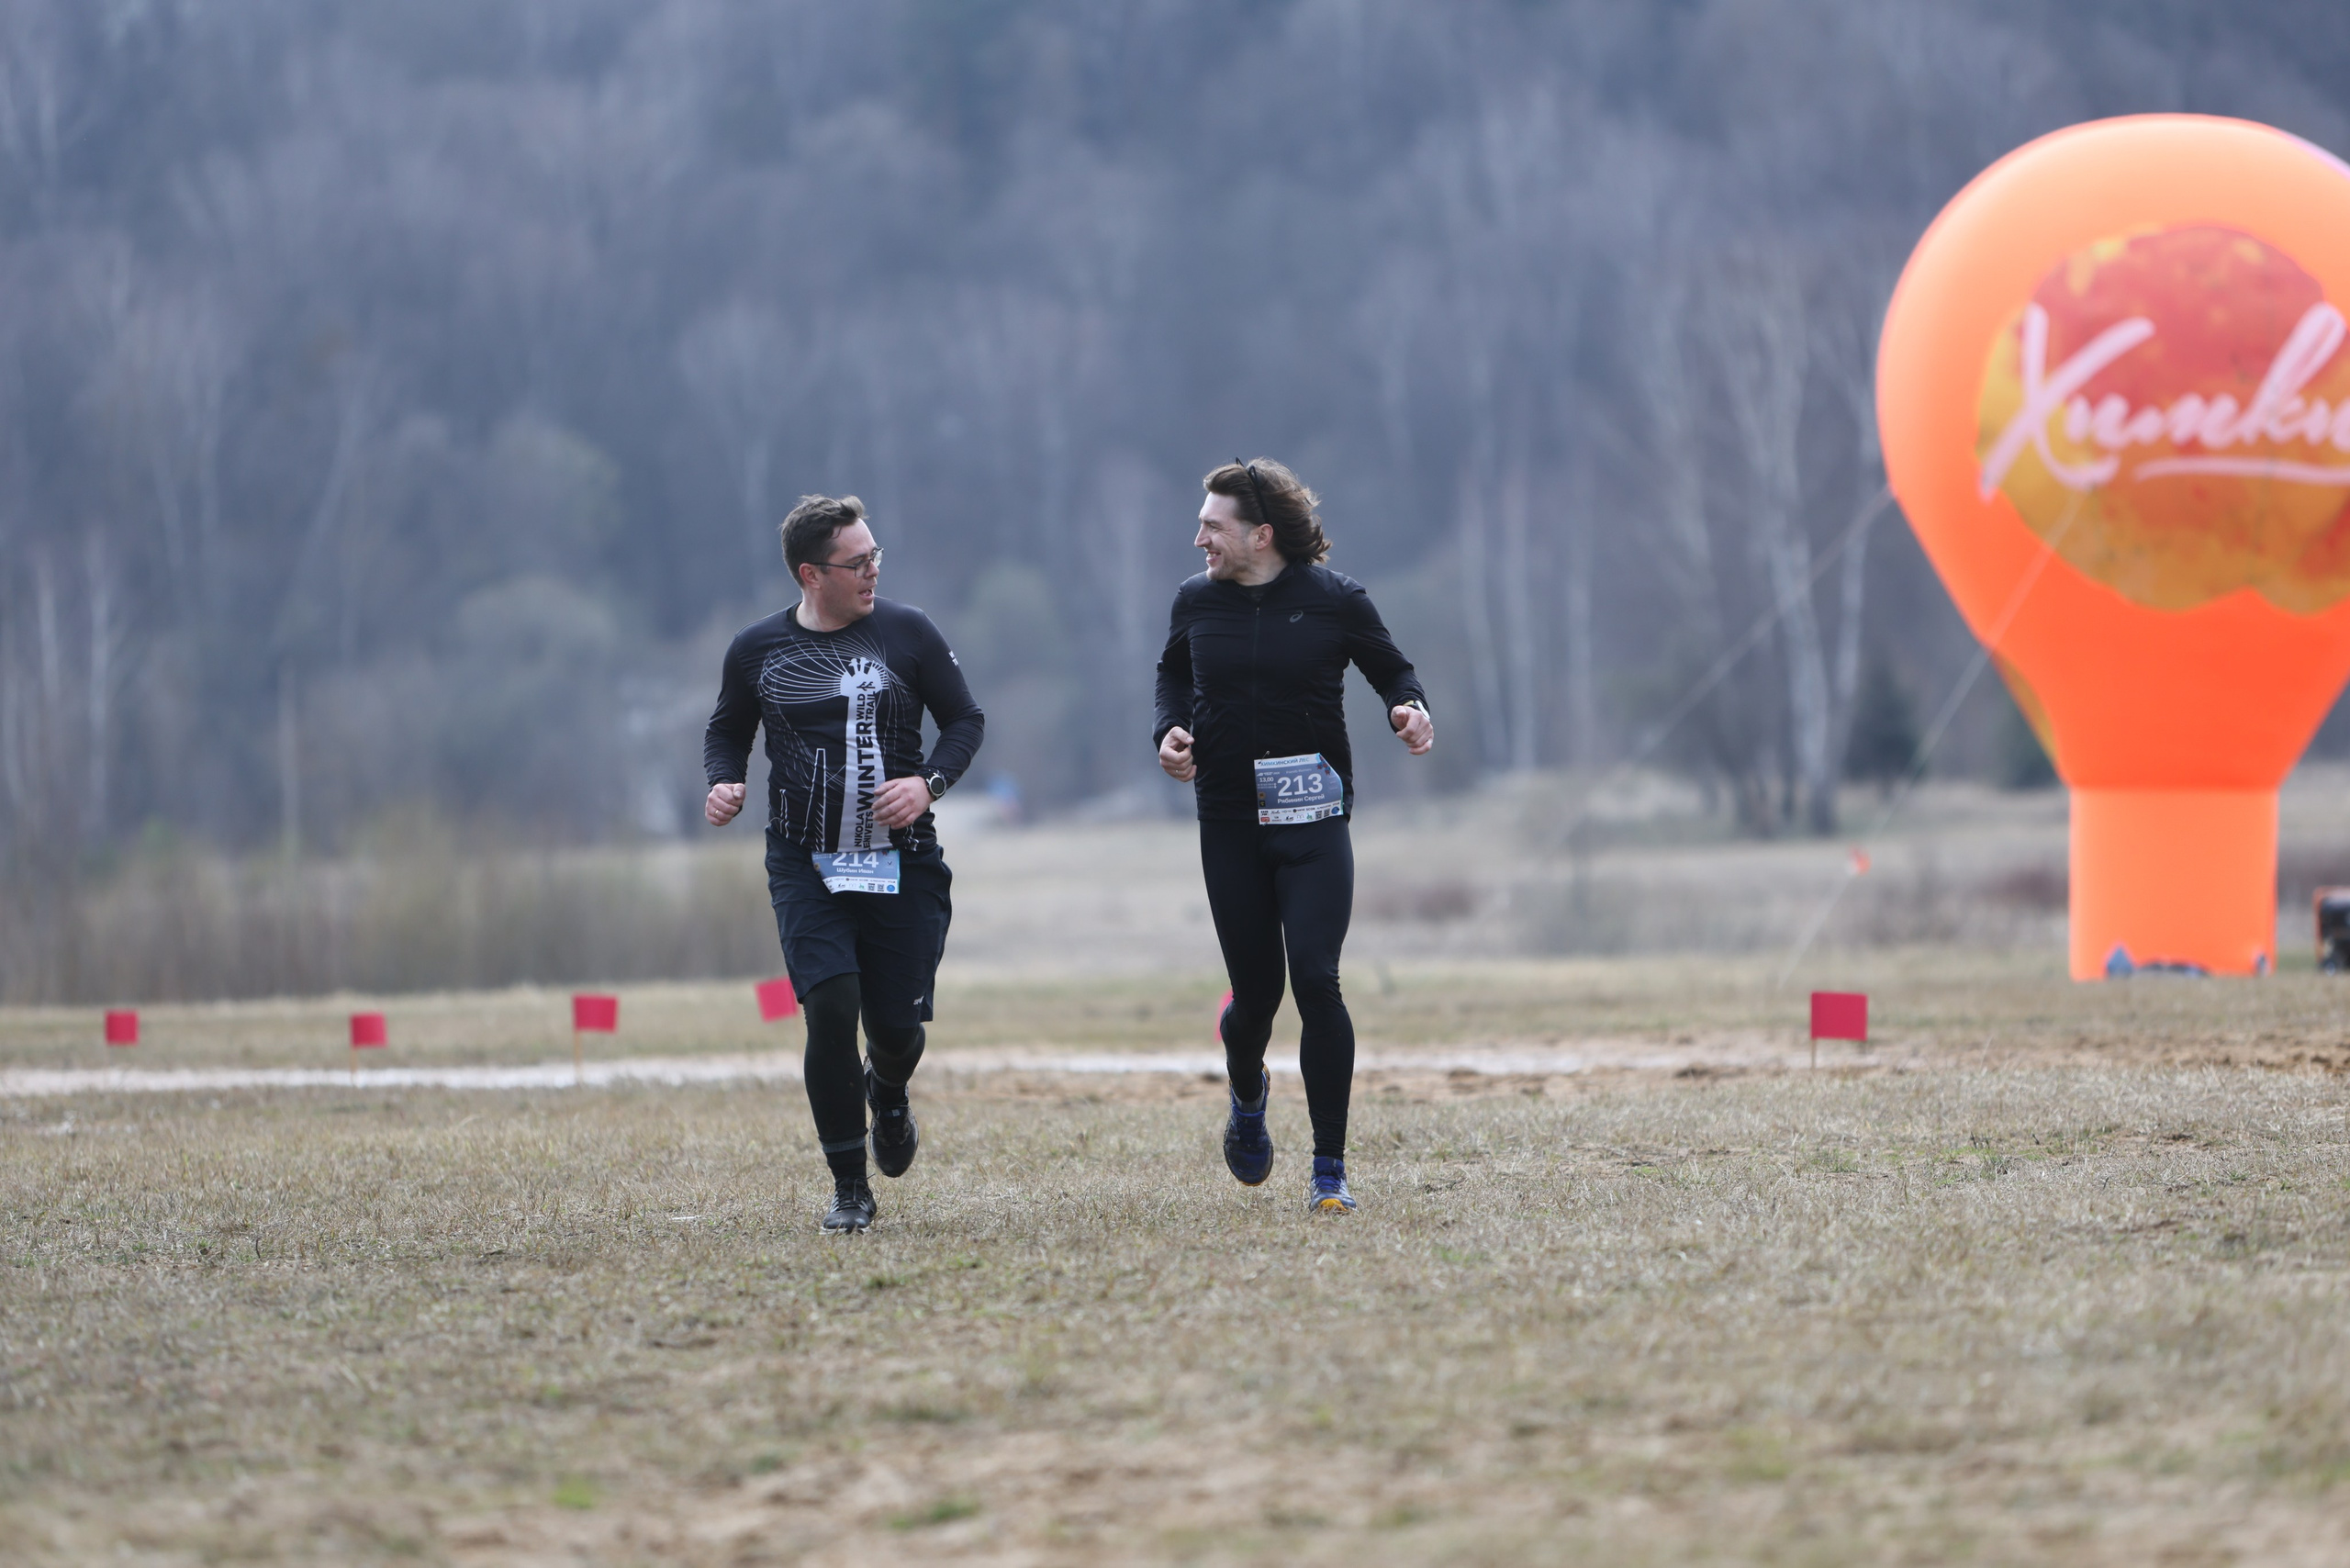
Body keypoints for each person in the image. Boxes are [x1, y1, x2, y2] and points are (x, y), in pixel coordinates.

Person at [1153, 459, 1433, 1213]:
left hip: (1314, 820)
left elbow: (1394, 672)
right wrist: (1169, 729)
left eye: (1212, 527)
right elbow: (1172, 677)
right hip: (1230, 823)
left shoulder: (1336, 600)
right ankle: (1248, 1090)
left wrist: (1409, 708)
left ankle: (1329, 1173)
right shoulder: (1195, 601)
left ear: (1262, 535)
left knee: (1315, 978)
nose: (1199, 540)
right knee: (1256, 999)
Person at [703, 495, 984, 1234]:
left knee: (895, 1030)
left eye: (874, 557)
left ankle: (887, 1090)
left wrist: (928, 784)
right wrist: (724, 780)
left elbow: (965, 719)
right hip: (805, 859)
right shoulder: (756, 650)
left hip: (903, 859)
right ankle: (850, 1188)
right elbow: (726, 730)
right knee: (830, 1007)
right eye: (856, 563)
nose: (872, 572)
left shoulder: (908, 631)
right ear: (811, 574)